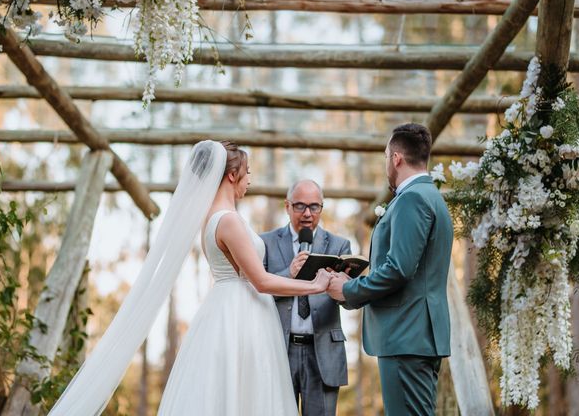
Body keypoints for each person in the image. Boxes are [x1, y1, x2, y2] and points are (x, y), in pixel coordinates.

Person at [48, 141, 332, 415]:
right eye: (247, 173)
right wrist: (314, 285)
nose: (249, 180)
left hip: (229, 309)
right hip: (240, 315)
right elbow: (261, 281)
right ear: (232, 175)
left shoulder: (212, 217)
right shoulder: (229, 220)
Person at [327, 123, 453, 416]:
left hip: (406, 334)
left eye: (386, 156)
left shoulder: (412, 199)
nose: (386, 164)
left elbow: (398, 269)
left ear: (396, 157)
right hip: (417, 335)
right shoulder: (432, 196)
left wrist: (347, 289)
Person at [261, 180, 352, 416]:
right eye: (300, 206)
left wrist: (343, 288)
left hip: (323, 352)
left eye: (315, 206)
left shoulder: (339, 245)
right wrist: (288, 274)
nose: (308, 214)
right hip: (280, 349)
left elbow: (351, 302)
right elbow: (256, 292)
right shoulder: (266, 243)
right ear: (287, 206)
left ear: (322, 207)